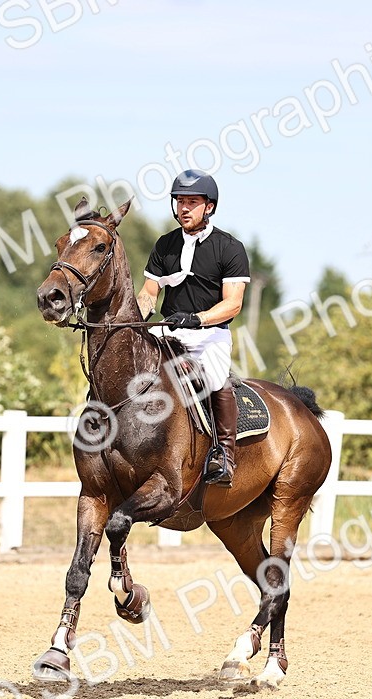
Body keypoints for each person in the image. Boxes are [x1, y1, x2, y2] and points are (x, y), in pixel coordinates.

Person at [137, 169, 250, 487]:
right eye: (179, 201)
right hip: (168, 329)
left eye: (192, 202)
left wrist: (198, 319)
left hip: (209, 334)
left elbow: (233, 304)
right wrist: (134, 316)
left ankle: (224, 454)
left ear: (209, 206)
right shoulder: (164, 245)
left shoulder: (229, 248)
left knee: (215, 377)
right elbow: (149, 292)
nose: (184, 208)